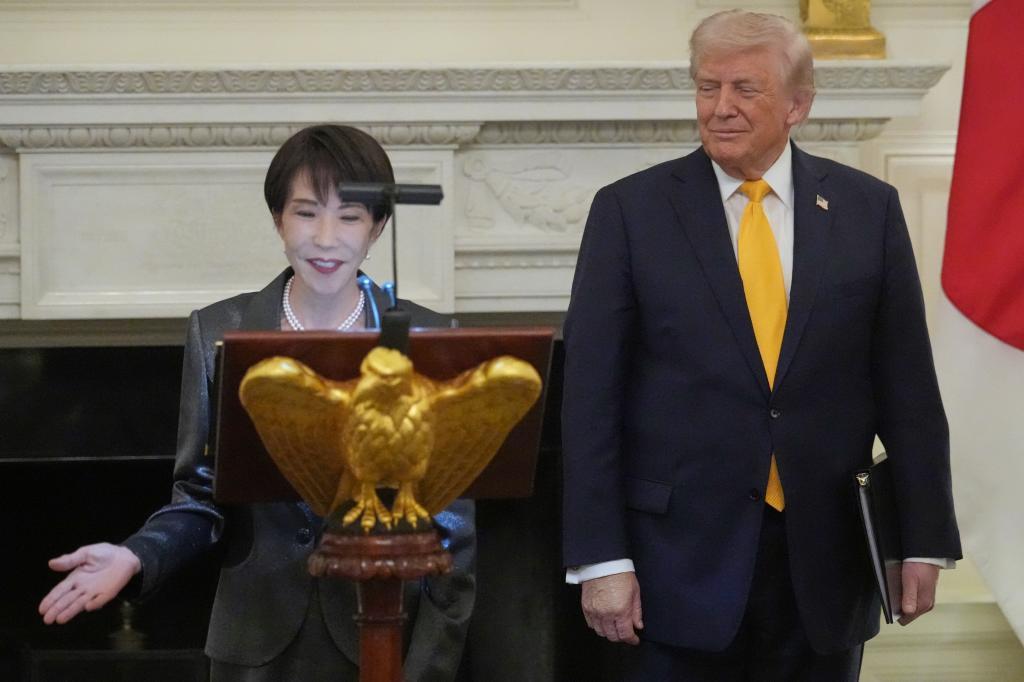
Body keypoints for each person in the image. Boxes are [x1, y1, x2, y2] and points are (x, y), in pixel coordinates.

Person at [561, 10, 960, 681]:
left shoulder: (869, 210)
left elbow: (908, 390)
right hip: (671, 568)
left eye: (745, 90)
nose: (720, 108)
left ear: (798, 104)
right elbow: (590, 402)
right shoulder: (629, 213)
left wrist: (922, 537)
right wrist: (601, 559)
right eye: (707, 87)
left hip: (824, 566)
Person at [38, 124, 475, 682]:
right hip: (254, 645)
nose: (324, 237)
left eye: (349, 217)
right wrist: (135, 555)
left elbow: (454, 535)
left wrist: (428, 668)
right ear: (278, 221)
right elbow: (200, 495)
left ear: (376, 228)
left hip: (387, 636)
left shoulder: (427, 340)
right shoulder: (220, 330)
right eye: (306, 212)